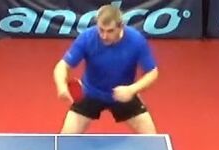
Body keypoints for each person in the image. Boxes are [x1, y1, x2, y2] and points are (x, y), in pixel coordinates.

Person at [53, 4, 159, 134]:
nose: (104, 36)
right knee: (65, 139)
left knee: (152, 139)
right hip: (90, 92)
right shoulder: (87, 38)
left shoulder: (136, 41)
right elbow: (62, 66)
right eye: (101, 30)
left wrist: (132, 89)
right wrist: (61, 86)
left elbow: (152, 72)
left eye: (110, 31)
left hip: (123, 94)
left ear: (121, 26)